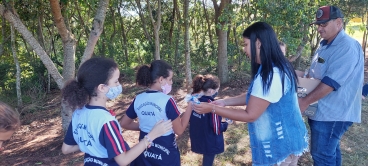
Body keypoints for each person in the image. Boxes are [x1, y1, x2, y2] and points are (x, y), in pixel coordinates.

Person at [193, 22, 308, 166]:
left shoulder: (271, 75)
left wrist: (213, 109)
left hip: (279, 150)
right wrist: (225, 102)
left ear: (258, 43)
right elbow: (256, 97)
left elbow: (250, 115)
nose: (244, 49)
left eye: (246, 44)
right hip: (289, 141)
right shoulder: (277, 67)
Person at [61, 57, 172, 166]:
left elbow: (66, 148)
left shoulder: (78, 113)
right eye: (116, 81)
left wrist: (91, 142)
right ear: (102, 88)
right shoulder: (106, 121)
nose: (119, 85)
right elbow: (123, 160)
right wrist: (151, 135)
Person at [300, 6, 364, 165]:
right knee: (329, 152)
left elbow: (330, 83)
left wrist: (305, 101)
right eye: (318, 25)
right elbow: (315, 74)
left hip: (333, 114)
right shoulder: (325, 45)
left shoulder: (346, 46)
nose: (319, 29)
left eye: (324, 25)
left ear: (339, 23)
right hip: (322, 110)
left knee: (321, 155)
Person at [120, 60, 192, 166]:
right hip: (166, 155)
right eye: (170, 79)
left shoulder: (138, 99)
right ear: (161, 79)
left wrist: (145, 127)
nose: (171, 83)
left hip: (144, 152)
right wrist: (190, 106)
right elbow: (179, 130)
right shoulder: (168, 101)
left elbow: (124, 123)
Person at [189, 74, 228, 166]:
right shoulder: (212, 106)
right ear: (211, 91)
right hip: (210, 141)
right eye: (217, 90)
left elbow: (191, 119)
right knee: (208, 161)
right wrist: (226, 124)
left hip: (198, 138)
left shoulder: (194, 101)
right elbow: (216, 127)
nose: (217, 92)